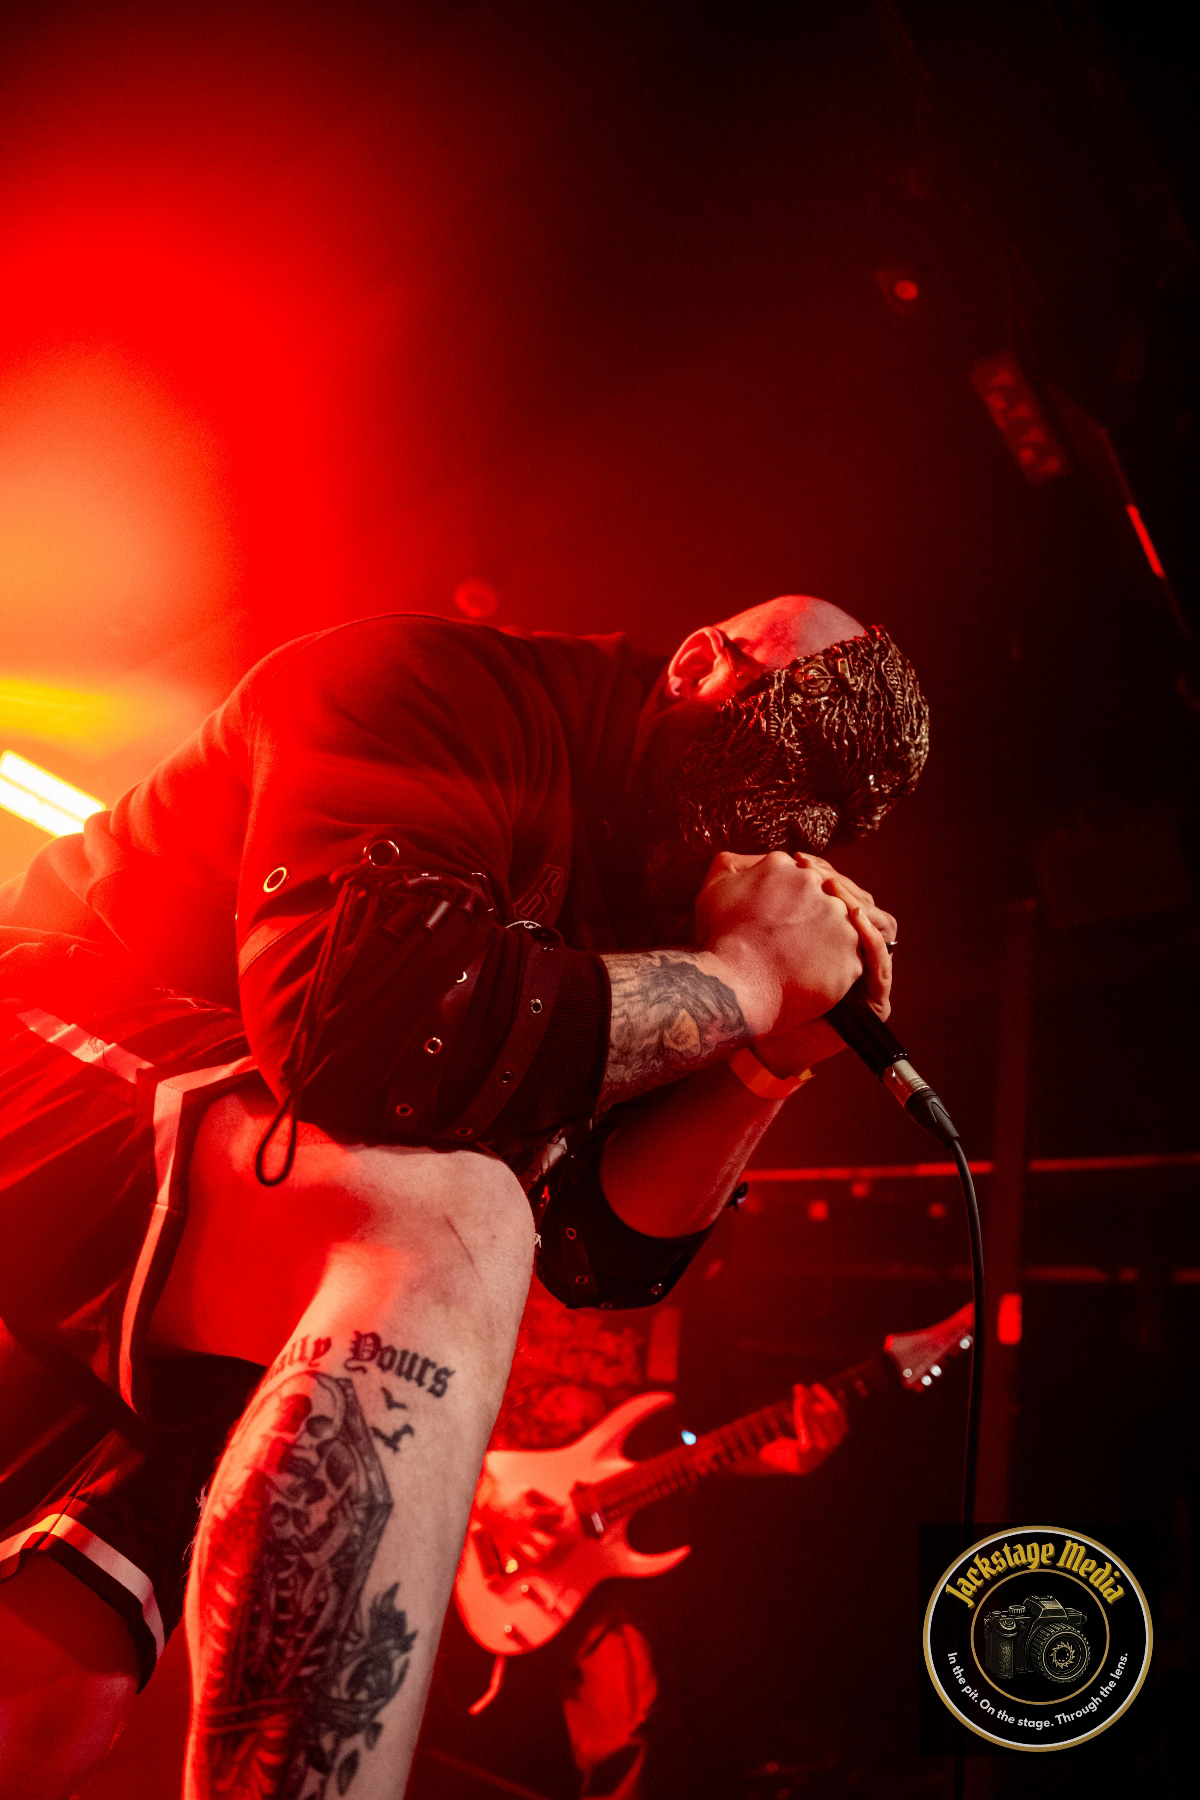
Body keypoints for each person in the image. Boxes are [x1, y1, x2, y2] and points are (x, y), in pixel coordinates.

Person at [0, 595, 927, 1800]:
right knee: (456, 1220)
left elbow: (596, 1251)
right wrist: (746, 975)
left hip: (236, 1257)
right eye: (760, 796)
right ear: (702, 664)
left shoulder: (664, 883)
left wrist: (771, 1059)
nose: (762, 847)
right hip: (58, 1050)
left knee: (50, 1712)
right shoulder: (436, 693)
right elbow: (355, 1032)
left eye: (808, 828)